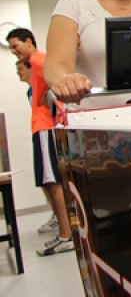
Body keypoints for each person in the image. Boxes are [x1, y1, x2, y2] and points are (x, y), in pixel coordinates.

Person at [6, 28, 74, 256]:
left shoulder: (39, 59)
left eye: (16, 46)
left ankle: (66, 236)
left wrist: (53, 95)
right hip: (40, 127)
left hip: (46, 126)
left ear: (28, 42)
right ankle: (64, 233)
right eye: (11, 48)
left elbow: (61, 79)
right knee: (48, 183)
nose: (14, 51)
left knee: (53, 183)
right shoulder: (35, 63)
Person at [16, 59, 60, 233]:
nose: (18, 73)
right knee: (44, 181)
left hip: (47, 130)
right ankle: (56, 214)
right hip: (38, 131)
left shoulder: (43, 87)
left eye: (20, 69)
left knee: (52, 179)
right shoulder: (30, 90)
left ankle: (62, 220)